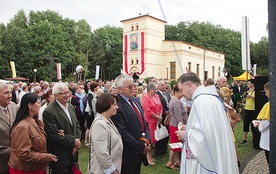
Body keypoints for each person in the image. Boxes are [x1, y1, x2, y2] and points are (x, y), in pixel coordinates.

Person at [176, 72, 238, 174]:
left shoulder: (201, 101)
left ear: (189, 85)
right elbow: (208, 128)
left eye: (181, 89)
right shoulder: (209, 98)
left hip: (206, 165)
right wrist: (189, 128)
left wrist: (186, 135)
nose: (181, 94)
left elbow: (205, 137)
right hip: (217, 154)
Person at [8, 93, 58, 174]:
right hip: (25, 170)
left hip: (36, 167)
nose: (39, 105)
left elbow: (38, 138)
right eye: (38, 103)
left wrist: (55, 132)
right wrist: (46, 157)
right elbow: (24, 154)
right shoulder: (22, 126)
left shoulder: (35, 121)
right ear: (30, 105)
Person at [111, 75, 150, 174]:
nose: (133, 88)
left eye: (134, 85)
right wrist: (140, 147)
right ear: (120, 89)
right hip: (128, 154)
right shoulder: (116, 106)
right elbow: (122, 133)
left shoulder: (135, 100)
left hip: (139, 151)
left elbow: (144, 122)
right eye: (130, 87)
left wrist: (147, 140)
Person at [43, 82, 82, 174]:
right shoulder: (49, 112)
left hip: (73, 154)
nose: (67, 95)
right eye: (63, 93)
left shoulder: (71, 107)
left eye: (68, 92)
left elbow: (77, 126)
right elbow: (53, 136)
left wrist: (76, 141)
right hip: (60, 156)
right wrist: (73, 141)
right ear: (55, 96)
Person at [87, 93, 123, 174]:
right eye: (114, 104)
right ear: (106, 105)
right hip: (102, 171)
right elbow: (101, 152)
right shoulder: (99, 124)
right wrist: (112, 170)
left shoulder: (107, 121)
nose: (117, 107)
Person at [167, 85, 188, 169]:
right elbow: (178, 116)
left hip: (174, 124)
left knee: (177, 144)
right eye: (180, 92)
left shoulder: (174, 100)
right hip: (176, 125)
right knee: (175, 144)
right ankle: (170, 162)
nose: (182, 94)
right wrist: (182, 126)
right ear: (176, 91)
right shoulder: (176, 102)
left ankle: (176, 161)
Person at [141, 82, 163, 165]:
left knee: (154, 140)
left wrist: (160, 116)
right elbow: (148, 111)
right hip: (150, 121)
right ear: (150, 90)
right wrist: (157, 117)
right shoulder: (146, 98)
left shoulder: (157, 96)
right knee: (150, 140)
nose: (156, 91)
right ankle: (148, 156)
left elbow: (160, 107)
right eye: (154, 90)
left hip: (156, 121)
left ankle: (151, 155)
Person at [0, 83, 17, 174]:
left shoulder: (13, 107)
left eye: (10, 92)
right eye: (6, 93)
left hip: (15, 163)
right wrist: (13, 151)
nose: (10, 95)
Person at [254, 82, 270, 163]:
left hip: (269, 139)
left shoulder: (269, 105)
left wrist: (258, 125)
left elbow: (265, 123)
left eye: (266, 91)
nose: (265, 93)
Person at [155, 80, 171, 157]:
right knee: (160, 133)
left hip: (168, 117)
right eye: (162, 85)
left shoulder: (168, 94)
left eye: (164, 85)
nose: (164, 86)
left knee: (166, 133)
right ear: (158, 87)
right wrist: (164, 111)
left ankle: (164, 149)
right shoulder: (156, 95)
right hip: (161, 116)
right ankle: (158, 150)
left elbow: (170, 103)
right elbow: (159, 105)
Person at [241, 79, 255, 144]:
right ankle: (244, 138)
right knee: (245, 123)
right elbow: (245, 97)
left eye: (249, 83)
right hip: (247, 108)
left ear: (252, 84)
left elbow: (258, 99)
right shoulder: (248, 90)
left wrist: (251, 96)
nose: (248, 84)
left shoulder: (255, 91)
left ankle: (253, 138)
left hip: (253, 109)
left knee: (253, 125)